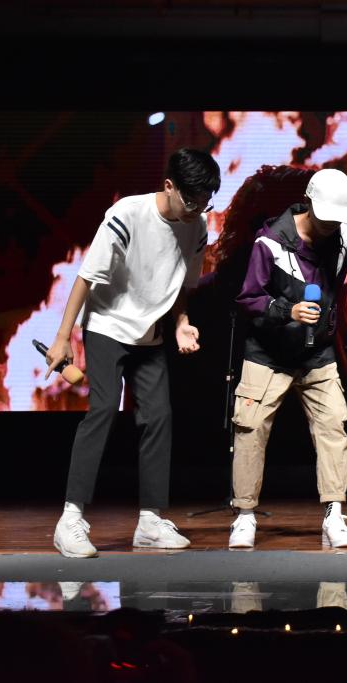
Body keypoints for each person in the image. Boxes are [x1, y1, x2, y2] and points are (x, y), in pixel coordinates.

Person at [44, 148, 220, 558]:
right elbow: (86, 277)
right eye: (191, 200)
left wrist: (181, 322)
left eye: (205, 202)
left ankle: (150, 522)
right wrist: (63, 337)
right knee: (104, 408)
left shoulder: (196, 225)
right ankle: (70, 519)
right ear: (169, 186)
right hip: (107, 326)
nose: (197, 209)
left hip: (149, 334)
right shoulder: (127, 215)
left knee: (159, 417)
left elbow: (181, 283)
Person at [227, 168, 347, 549]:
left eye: (336, 219)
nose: (331, 226)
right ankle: (245, 516)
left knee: (333, 427)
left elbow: (335, 288)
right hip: (268, 354)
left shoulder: (344, 237)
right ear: (308, 203)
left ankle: (334, 515)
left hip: (317, 353)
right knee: (250, 430)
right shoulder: (269, 244)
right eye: (325, 217)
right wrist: (289, 311)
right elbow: (249, 298)